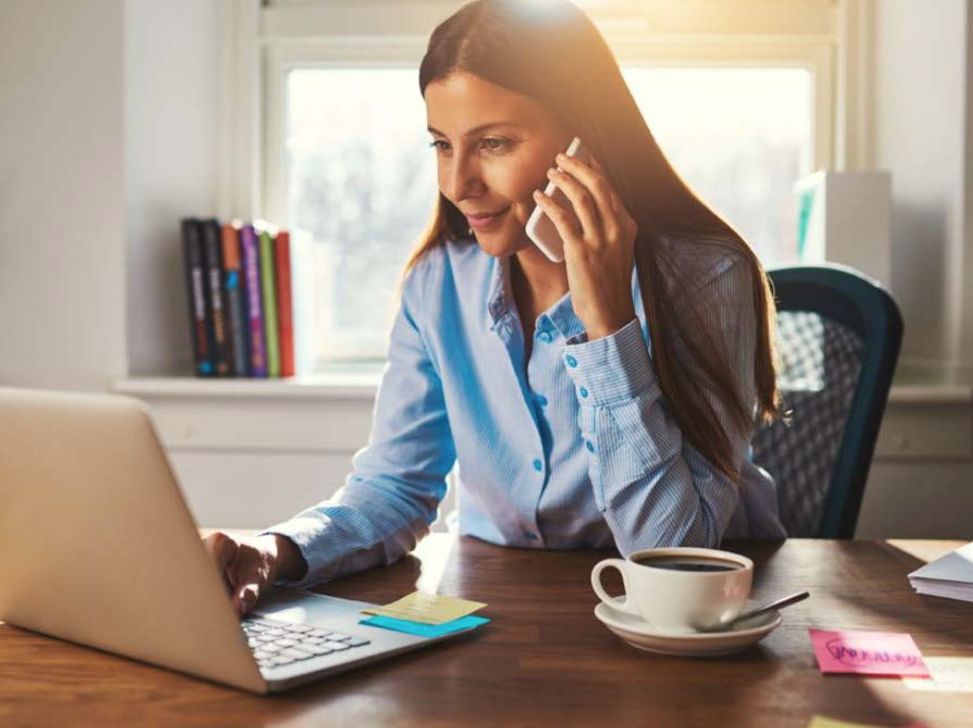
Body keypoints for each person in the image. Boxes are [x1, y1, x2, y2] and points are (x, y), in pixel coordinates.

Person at [204, 0, 786, 617]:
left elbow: (675, 556)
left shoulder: (704, 275)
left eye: (495, 143)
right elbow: (395, 487)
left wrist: (608, 325)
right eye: (441, 144)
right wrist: (274, 549)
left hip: (693, 626)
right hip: (496, 610)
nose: (458, 184)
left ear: (587, 140)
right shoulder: (438, 283)